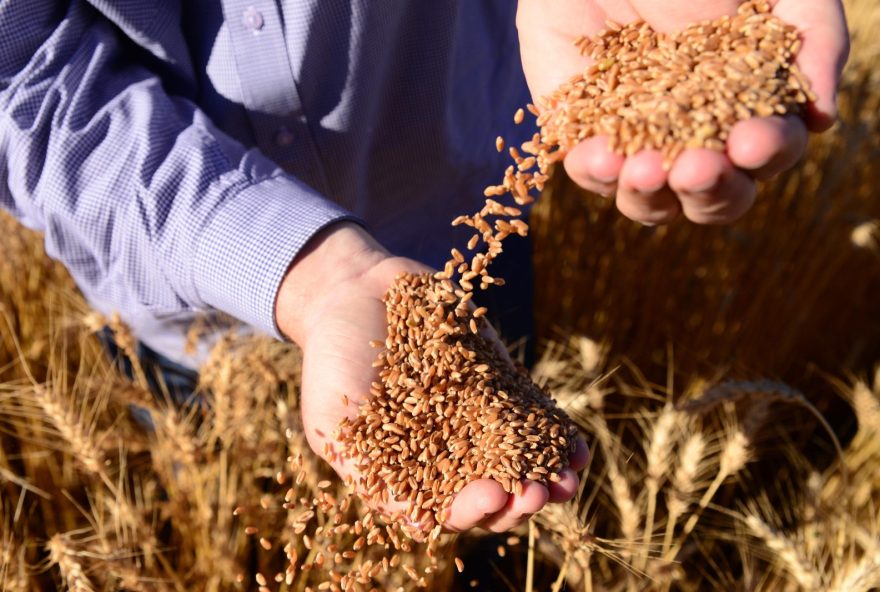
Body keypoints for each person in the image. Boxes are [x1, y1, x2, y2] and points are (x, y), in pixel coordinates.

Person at [0, 1, 848, 534]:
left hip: (464, 235)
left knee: (499, 503)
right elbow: (24, 86)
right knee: (222, 510)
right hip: (176, 307)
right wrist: (311, 271)